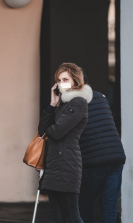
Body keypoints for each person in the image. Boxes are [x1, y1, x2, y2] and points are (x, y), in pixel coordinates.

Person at [38, 63, 93, 223]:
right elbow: (42, 130)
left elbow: (57, 132)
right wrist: (52, 104)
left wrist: (50, 128)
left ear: (75, 81)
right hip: (54, 164)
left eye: (65, 79)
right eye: (59, 80)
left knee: (71, 216)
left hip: (67, 164)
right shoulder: (62, 104)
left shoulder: (78, 102)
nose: (61, 83)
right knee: (57, 217)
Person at [78, 73, 126, 223]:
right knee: (109, 208)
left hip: (93, 160)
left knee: (84, 208)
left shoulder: (73, 102)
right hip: (116, 157)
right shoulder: (100, 97)